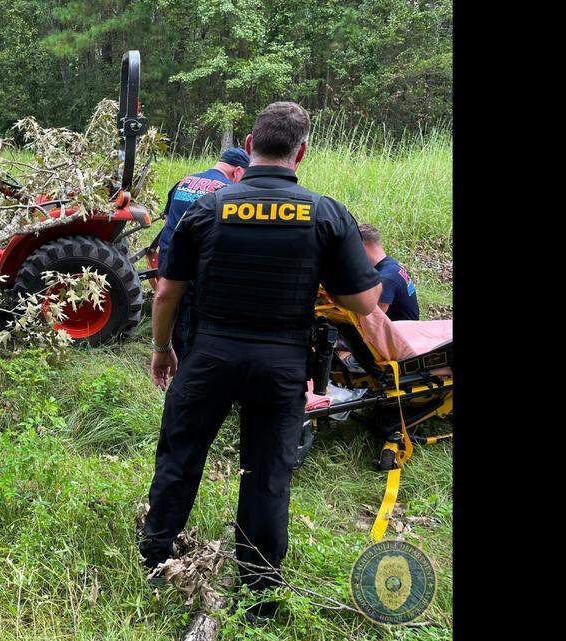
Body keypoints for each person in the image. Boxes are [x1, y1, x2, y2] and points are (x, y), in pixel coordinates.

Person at [139, 102, 382, 622]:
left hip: (209, 357)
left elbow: (165, 295)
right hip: (281, 365)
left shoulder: (207, 209)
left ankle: (156, 561)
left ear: (249, 144)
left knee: (180, 458)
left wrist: (162, 349)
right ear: (302, 150)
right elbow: (364, 303)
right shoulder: (325, 213)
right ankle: (260, 599)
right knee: (267, 475)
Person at [157, 147, 250, 359]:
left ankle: (166, 345)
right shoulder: (228, 192)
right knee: (188, 325)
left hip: (167, 263)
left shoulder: (184, 181)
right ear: (237, 171)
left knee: (170, 309)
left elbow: (168, 220)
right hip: (194, 270)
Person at [358, 223, 420, 321]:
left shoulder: (386, 278)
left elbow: (373, 320)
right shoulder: (390, 265)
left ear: (362, 246)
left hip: (401, 332)